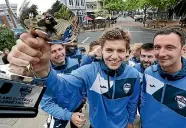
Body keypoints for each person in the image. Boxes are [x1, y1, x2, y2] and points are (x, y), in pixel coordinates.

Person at [8, 27, 140, 128]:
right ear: (102, 51)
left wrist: (130, 121)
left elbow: (132, 102)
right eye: (109, 50)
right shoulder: (89, 71)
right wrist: (43, 70)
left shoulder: (133, 74)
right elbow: (61, 86)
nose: (115, 56)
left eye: (121, 51)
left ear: (127, 52)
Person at [140, 27, 186, 128]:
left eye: (169, 47)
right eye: (157, 47)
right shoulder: (149, 72)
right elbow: (144, 98)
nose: (161, 53)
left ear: (183, 50)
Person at [40, 43, 85, 128]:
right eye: (53, 51)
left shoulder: (74, 62)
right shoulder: (44, 73)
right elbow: (46, 104)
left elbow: (81, 81)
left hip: (77, 105)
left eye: (60, 49)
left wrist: (83, 96)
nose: (59, 54)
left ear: (64, 48)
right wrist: (69, 116)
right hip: (59, 110)